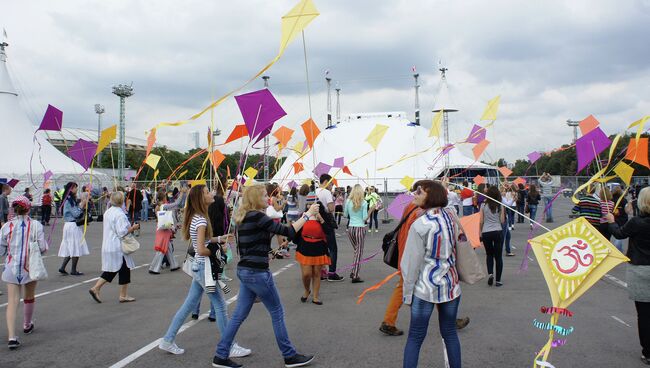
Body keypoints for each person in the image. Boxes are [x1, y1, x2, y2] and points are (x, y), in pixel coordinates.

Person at [212, 184, 319, 368]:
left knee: (238, 315)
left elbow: (249, 245)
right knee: (277, 312)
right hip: (257, 273)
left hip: (245, 271)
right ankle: (289, 355)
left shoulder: (243, 217)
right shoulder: (258, 217)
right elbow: (290, 232)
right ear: (255, 199)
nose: (267, 198)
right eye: (263, 196)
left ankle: (221, 355)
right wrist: (308, 214)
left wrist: (265, 251)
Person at [159, 185, 251, 358]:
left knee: (188, 306)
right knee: (221, 306)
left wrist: (219, 238)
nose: (211, 194)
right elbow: (201, 249)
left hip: (199, 268)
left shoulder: (198, 217)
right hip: (203, 268)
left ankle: (168, 340)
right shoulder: (201, 220)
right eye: (207, 192)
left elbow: (204, 241)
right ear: (201, 198)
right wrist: (219, 251)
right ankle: (229, 346)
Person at [401, 181, 461, 368]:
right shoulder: (451, 217)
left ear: (431, 195)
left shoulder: (420, 225)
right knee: (450, 333)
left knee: (415, 337)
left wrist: (407, 292)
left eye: (420, 191)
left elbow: (411, 263)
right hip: (450, 284)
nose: (415, 194)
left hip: (425, 287)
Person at [606, 187, 650, 365]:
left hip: (640, 268)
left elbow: (619, 233)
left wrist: (611, 221)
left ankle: (647, 351)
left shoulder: (637, 223)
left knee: (644, 314)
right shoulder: (637, 222)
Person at [0, 196, 48, 350]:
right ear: (28, 208)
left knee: (12, 302)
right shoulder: (36, 226)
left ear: (14, 208)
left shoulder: (6, 226)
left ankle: (12, 337)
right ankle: (27, 324)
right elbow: (42, 248)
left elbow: (1, 250)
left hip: (11, 267)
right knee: (29, 296)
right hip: (30, 267)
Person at [88, 191, 140, 303]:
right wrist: (134, 227)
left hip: (108, 244)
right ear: (121, 201)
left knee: (114, 269)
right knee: (123, 269)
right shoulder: (120, 214)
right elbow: (122, 232)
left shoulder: (108, 212)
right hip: (117, 246)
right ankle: (121, 294)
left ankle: (97, 288)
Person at [296, 201, 331, 304]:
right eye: (309, 204)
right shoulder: (304, 216)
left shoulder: (323, 216)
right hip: (305, 246)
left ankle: (315, 296)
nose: (311, 206)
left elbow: (329, 231)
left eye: (313, 203)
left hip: (319, 247)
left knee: (316, 273)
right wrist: (287, 241)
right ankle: (307, 290)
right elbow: (296, 229)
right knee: (306, 274)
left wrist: (320, 219)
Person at [58, 182, 90, 276]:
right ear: (71, 189)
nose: (76, 189)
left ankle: (63, 267)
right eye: (75, 188)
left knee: (69, 246)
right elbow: (76, 214)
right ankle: (73, 270)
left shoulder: (67, 199)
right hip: (72, 225)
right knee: (76, 246)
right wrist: (82, 205)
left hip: (68, 225)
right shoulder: (69, 200)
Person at [316, 174, 343, 281]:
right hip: (326, 221)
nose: (332, 185)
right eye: (331, 183)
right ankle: (332, 272)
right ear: (326, 181)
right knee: (332, 248)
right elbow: (331, 208)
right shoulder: (326, 192)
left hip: (316, 221)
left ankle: (322, 272)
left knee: (321, 248)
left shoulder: (315, 191)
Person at [148, 190, 183, 275]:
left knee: (168, 248)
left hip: (162, 229)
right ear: (163, 198)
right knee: (162, 250)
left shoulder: (159, 206)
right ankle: (154, 268)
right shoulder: (164, 206)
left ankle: (174, 265)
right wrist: (182, 194)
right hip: (164, 230)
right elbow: (176, 203)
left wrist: (174, 227)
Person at [480, 185, 506, 287]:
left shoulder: (483, 205)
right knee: (498, 256)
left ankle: (490, 273)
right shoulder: (500, 205)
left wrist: (480, 232)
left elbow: (481, 221)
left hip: (486, 231)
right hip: (497, 231)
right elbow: (502, 220)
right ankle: (498, 280)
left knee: (489, 254)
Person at [344, 184, 370, 283]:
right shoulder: (364, 203)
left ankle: (353, 271)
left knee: (356, 251)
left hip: (351, 228)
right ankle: (355, 274)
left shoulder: (348, 201)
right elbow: (364, 218)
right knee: (359, 252)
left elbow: (346, 215)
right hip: (360, 228)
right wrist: (370, 212)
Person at [612, 186, 629, 252]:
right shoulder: (624, 200)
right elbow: (626, 210)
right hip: (622, 219)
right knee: (619, 236)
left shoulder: (611, 199)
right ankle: (618, 250)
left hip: (613, 219)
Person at [501, 184, 516, 257]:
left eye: (505, 191)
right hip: (502, 219)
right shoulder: (500, 198)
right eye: (503, 191)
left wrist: (513, 199)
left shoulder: (502, 198)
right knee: (503, 236)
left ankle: (508, 250)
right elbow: (508, 204)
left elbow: (508, 204)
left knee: (508, 236)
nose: (504, 192)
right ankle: (500, 251)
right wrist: (513, 199)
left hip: (504, 218)